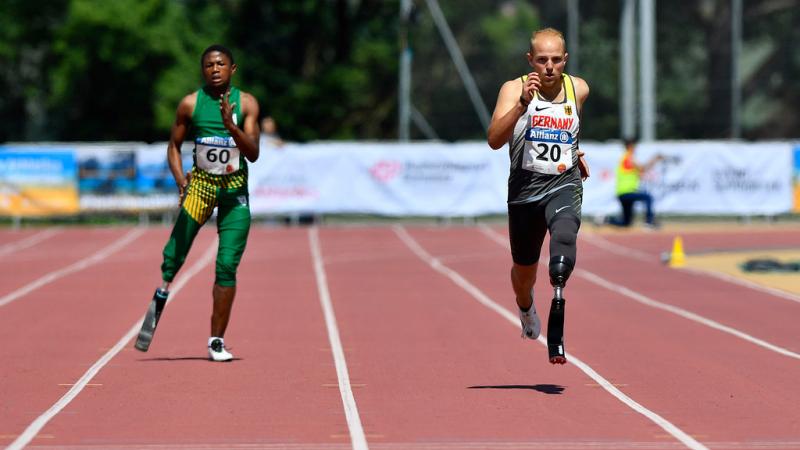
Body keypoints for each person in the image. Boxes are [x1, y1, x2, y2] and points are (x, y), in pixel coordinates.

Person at [134, 44, 260, 362]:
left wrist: (231, 127)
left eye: (220, 64)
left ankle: (216, 341)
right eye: (208, 65)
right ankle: (162, 292)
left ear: (233, 69)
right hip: (200, 190)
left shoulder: (246, 103)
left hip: (234, 195)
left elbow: (254, 153)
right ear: (202, 70)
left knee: (227, 266)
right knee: (174, 255)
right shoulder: (191, 104)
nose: (214, 69)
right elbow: (173, 147)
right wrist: (181, 179)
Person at [487, 27, 590, 365]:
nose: (549, 67)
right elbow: (494, 139)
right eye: (542, 60)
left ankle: (558, 284)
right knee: (524, 272)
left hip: (563, 183)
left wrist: (577, 153)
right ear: (529, 59)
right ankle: (525, 305)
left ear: (566, 60)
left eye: (556, 60)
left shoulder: (578, 89)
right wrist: (520, 105)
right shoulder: (513, 89)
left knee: (564, 233)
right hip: (525, 193)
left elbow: (569, 131)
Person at [606, 138, 663, 228]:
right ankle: (649, 221)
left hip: (622, 192)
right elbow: (642, 168)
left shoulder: (625, 158)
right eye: (634, 146)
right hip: (628, 192)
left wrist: (653, 162)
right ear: (630, 146)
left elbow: (641, 170)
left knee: (626, 222)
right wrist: (654, 159)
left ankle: (605, 220)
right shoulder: (628, 157)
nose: (635, 148)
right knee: (648, 198)